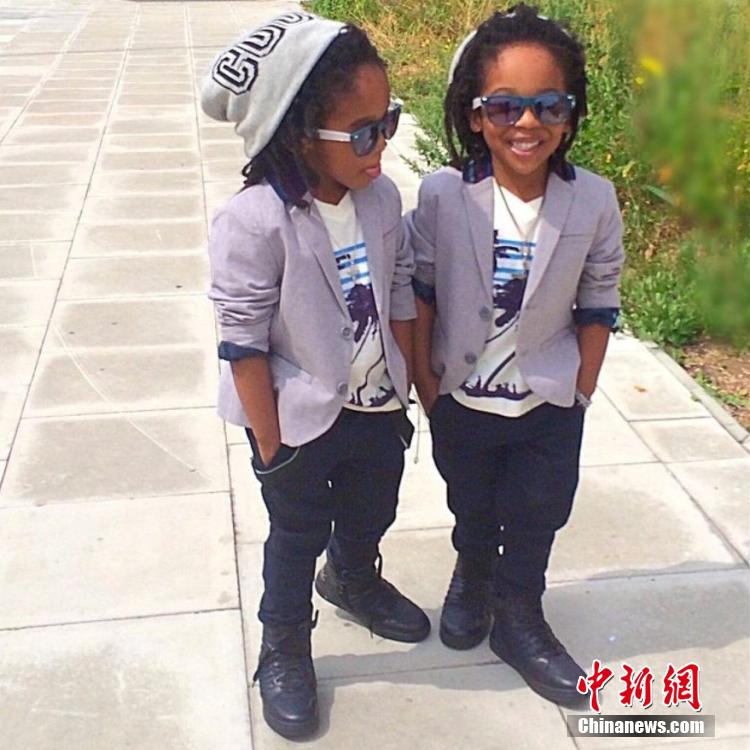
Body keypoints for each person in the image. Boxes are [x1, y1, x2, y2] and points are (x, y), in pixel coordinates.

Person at [202, 12, 429, 740]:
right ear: (299, 133)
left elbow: (399, 291)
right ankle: (284, 643)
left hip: (374, 402)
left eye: (388, 123)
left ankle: (353, 576)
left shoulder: (381, 200)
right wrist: (273, 446)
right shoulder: (255, 222)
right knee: (296, 532)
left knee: (373, 505)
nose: (381, 146)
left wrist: (406, 386)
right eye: (362, 133)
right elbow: (242, 344)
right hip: (296, 417)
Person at [407, 3, 624, 708]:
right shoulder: (444, 195)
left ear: (570, 113)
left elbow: (599, 296)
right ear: (476, 116)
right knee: (470, 500)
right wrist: (427, 383)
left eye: (547, 105)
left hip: (548, 398)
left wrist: (582, 386)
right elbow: (422, 289)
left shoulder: (592, 200)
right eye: (505, 106)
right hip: (462, 395)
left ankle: (521, 614)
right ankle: (471, 574)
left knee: (538, 510)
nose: (527, 123)